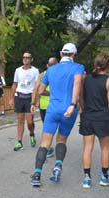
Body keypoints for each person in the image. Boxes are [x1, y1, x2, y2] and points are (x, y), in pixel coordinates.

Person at [30, 43, 84, 187]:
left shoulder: (51, 70)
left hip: (52, 110)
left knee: (45, 143)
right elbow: (77, 84)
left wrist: (52, 93)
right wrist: (73, 104)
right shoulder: (78, 68)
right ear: (74, 54)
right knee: (61, 141)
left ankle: (36, 174)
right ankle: (58, 166)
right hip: (68, 111)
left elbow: (40, 91)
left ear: (61, 54)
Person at [79, 54, 109, 189]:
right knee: (105, 148)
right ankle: (104, 176)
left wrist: (83, 110)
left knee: (87, 148)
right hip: (103, 117)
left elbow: (81, 97)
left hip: (87, 116)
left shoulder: (86, 79)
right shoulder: (108, 80)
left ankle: (87, 178)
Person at [9, 52, 39, 151]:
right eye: (24, 57)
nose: (25, 59)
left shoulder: (35, 71)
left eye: (28, 57)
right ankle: (19, 142)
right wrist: (12, 97)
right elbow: (14, 84)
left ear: (31, 59)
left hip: (29, 97)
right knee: (20, 120)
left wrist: (35, 100)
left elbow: (37, 86)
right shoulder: (18, 70)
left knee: (30, 122)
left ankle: (31, 133)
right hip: (19, 97)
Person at [31, 57, 58, 158]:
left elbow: (36, 89)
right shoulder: (45, 75)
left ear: (48, 65)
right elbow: (37, 89)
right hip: (53, 105)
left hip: (47, 106)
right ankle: (49, 147)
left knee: (47, 128)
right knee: (51, 128)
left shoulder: (43, 74)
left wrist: (33, 103)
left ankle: (47, 147)